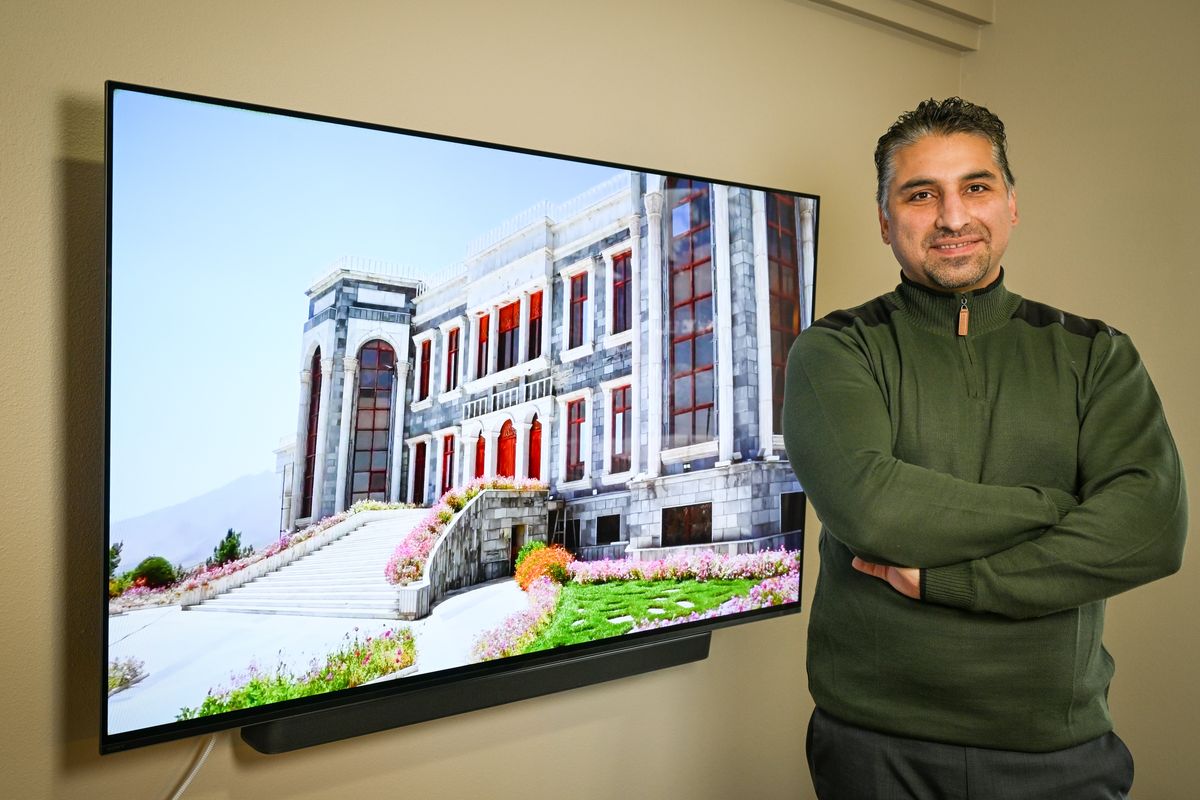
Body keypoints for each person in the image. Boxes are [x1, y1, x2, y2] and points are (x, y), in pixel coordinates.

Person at [783, 97, 1187, 799]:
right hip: (876, 747)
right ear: (885, 219)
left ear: (1011, 204)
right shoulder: (834, 350)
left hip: (1057, 748)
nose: (952, 217)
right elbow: (872, 511)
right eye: (920, 194)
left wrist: (952, 582)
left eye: (976, 187)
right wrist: (1062, 507)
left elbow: (1150, 530)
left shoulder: (1097, 355)